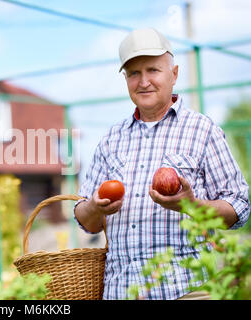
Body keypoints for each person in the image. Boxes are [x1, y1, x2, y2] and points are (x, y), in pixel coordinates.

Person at [74, 27, 250, 300]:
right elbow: (87, 222)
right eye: (133, 73)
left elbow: (240, 208)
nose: (143, 81)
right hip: (122, 292)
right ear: (126, 79)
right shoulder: (111, 138)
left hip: (187, 291)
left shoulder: (202, 130)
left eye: (153, 70)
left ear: (174, 74)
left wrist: (191, 206)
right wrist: (94, 207)